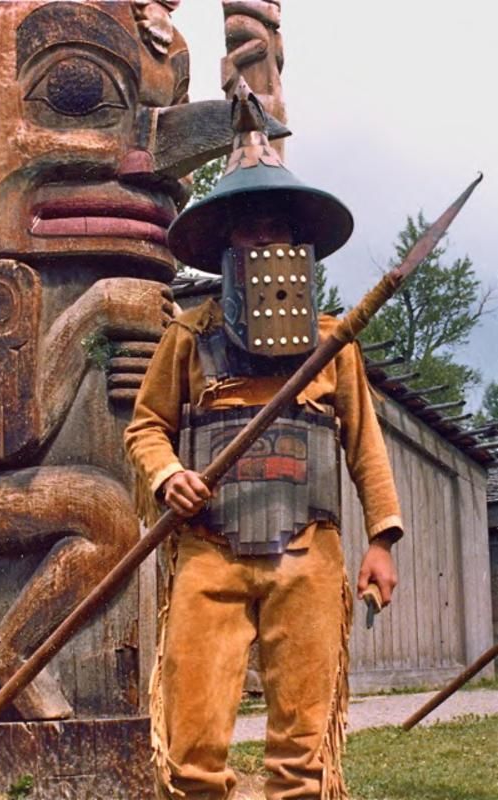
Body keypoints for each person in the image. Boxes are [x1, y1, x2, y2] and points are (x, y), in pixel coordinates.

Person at [125, 83, 402, 800]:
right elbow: (147, 425)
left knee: (301, 751)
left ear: (299, 242)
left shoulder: (329, 343)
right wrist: (165, 478)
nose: (266, 242)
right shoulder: (188, 335)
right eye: (249, 230)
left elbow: (365, 444)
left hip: (307, 558)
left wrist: (382, 540)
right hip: (207, 554)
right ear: (223, 244)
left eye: (278, 228)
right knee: (192, 743)